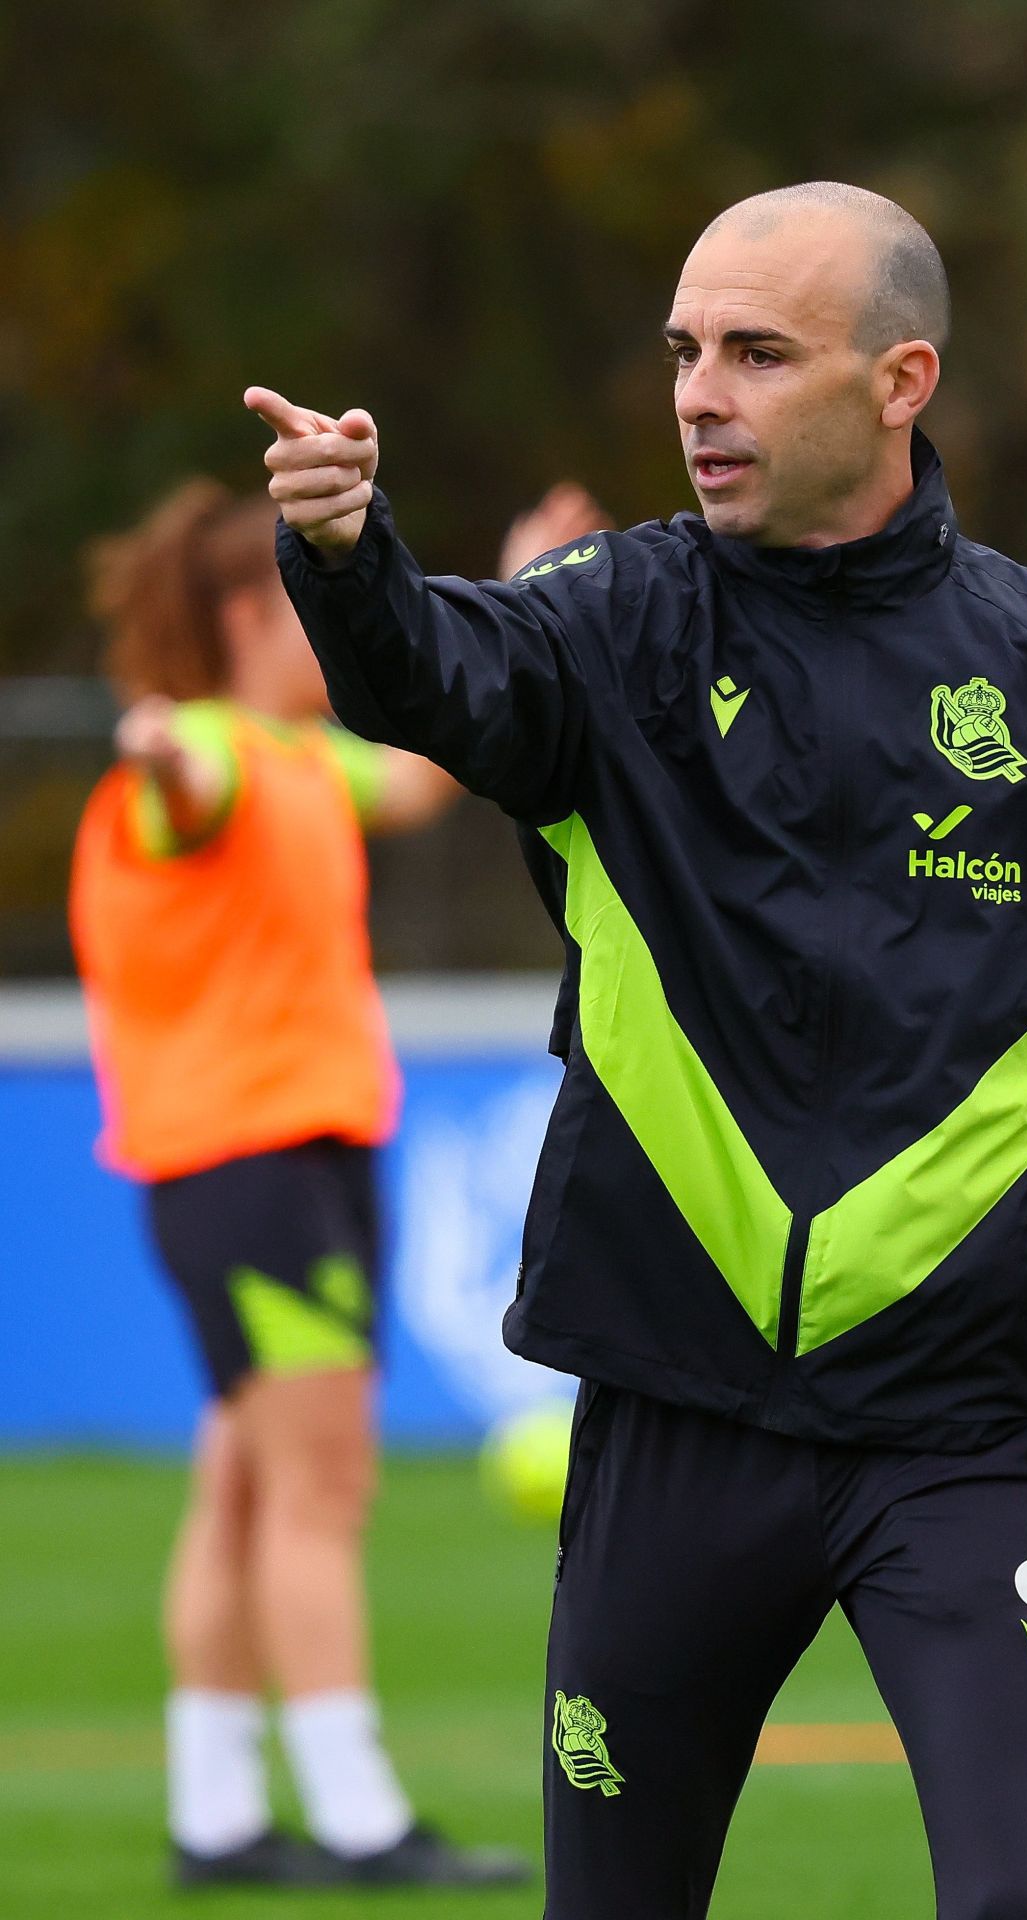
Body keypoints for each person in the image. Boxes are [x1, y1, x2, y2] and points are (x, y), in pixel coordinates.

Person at [247, 179, 1027, 1919]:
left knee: (1021, 1903)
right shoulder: (604, 621)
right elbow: (434, 673)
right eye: (683, 352)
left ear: (900, 378)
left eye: (755, 352)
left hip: (960, 1422)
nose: (698, 394)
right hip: (674, 1409)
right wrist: (346, 555)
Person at [68, 478, 557, 1890]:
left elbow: (418, 774)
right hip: (256, 1163)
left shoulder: (294, 754)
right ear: (243, 614)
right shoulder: (208, 760)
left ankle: (215, 1811)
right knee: (320, 1489)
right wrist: (160, 751)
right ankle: (358, 1813)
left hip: (274, 1158)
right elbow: (183, 791)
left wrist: (518, 604)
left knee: (242, 1482)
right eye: (295, 599)